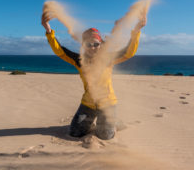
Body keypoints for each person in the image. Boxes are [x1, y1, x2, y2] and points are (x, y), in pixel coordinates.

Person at [41, 12, 146, 140]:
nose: (92, 47)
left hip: (107, 104)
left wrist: (137, 30)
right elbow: (60, 51)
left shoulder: (108, 59)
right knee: (75, 133)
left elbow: (128, 52)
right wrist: (48, 30)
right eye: (88, 44)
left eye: (96, 44)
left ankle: (114, 122)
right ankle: (96, 122)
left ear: (101, 44)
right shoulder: (79, 60)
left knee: (105, 136)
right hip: (88, 105)